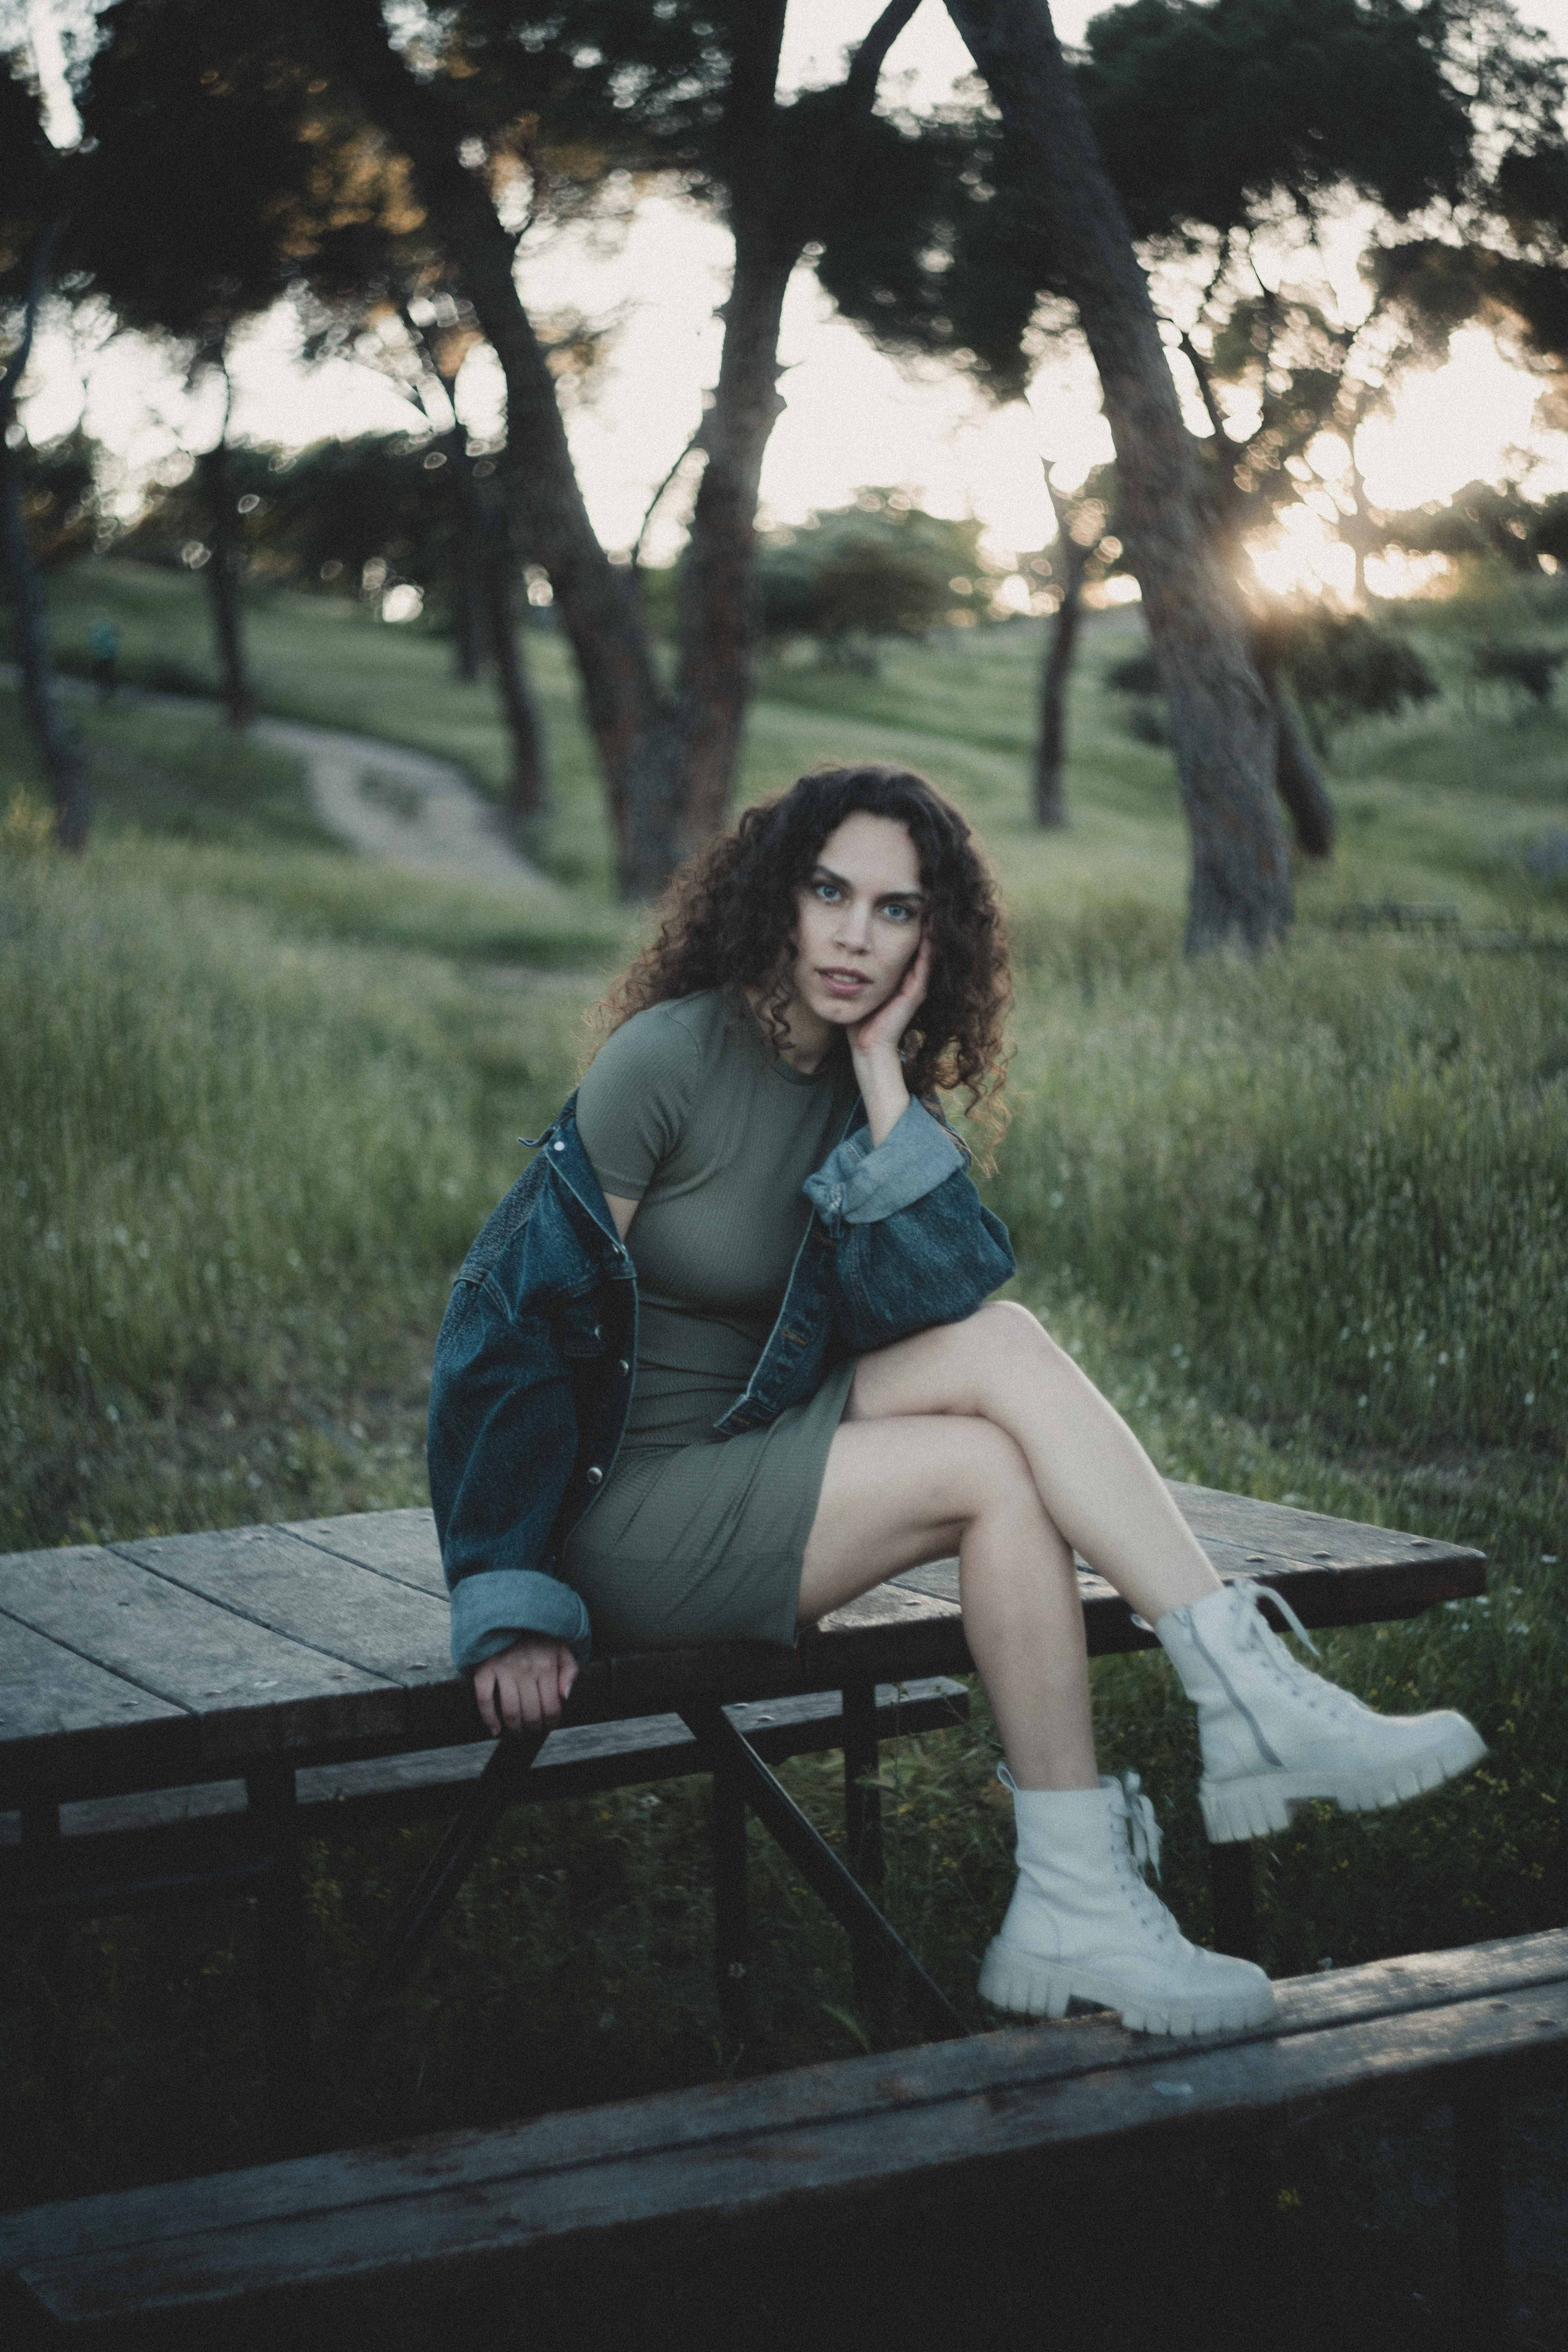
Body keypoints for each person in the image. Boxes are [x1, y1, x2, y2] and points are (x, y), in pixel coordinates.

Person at [428, 763, 1485, 2039]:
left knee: (1006, 1351)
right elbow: (508, 1328)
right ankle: (1118, 1853)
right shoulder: (665, 1060)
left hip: (756, 1443)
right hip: (626, 1512)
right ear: (777, 896)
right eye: (829, 892)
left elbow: (945, 1302)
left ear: (932, 939)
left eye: (893, 910)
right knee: (991, 1475)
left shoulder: (864, 1091)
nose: (851, 935)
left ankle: (1213, 1726)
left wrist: (880, 1085)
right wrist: (509, 1599)